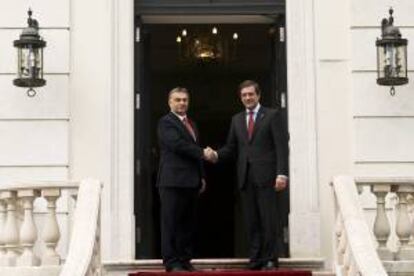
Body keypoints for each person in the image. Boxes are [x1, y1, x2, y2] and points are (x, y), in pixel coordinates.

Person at [205, 80, 288, 270]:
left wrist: (281, 174)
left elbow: (281, 147)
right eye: (244, 95)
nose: (248, 98)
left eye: (251, 94)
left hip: (267, 176)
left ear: (258, 95)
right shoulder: (237, 119)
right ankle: (256, 258)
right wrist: (216, 155)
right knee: (251, 220)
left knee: (268, 218)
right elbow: (232, 147)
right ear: (240, 98)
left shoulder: (272, 115)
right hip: (245, 177)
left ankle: (270, 258)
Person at [157, 87, 210, 272]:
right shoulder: (166, 122)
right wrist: (203, 153)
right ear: (170, 102)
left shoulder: (192, 124)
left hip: (191, 181)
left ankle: (185, 260)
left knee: (187, 224)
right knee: (171, 222)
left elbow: (194, 149)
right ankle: (172, 262)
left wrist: (202, 176)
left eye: (185, 100)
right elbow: (177, 145)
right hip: (172, 181)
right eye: (177, 100)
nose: (182, 103)